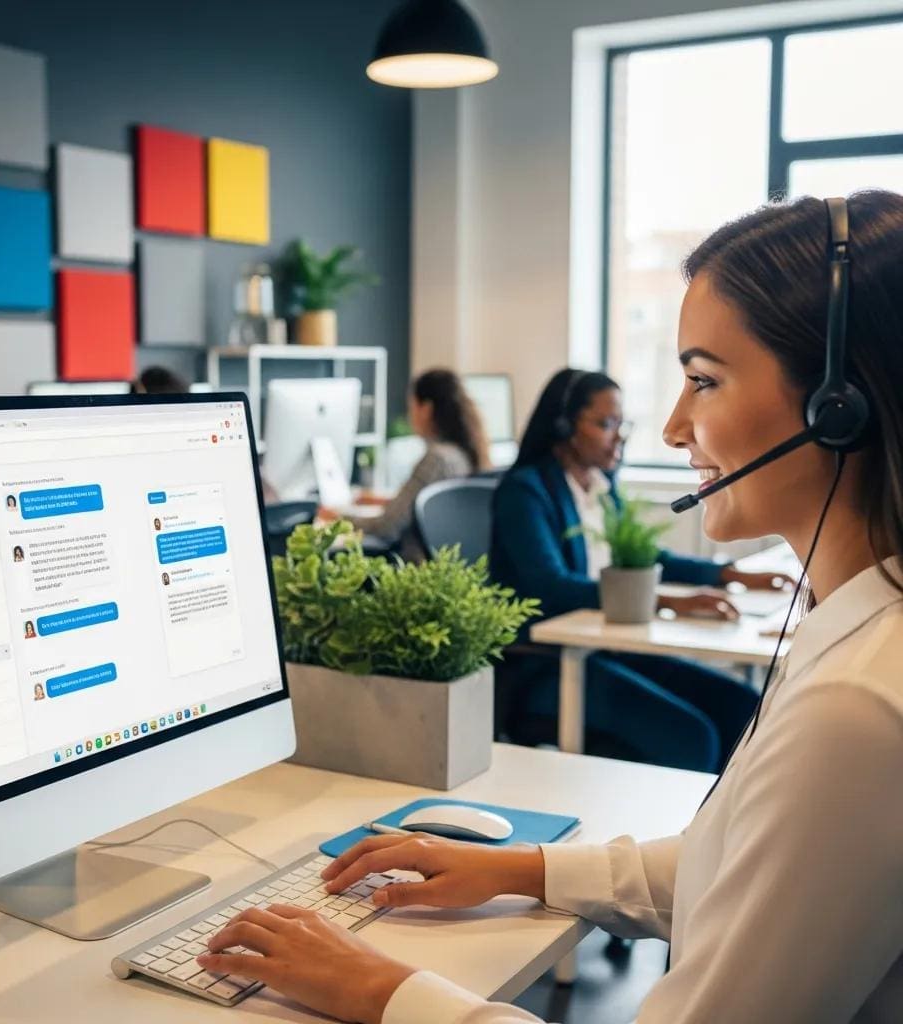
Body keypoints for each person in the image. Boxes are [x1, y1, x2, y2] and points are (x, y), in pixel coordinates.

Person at [192, 192, 903, 1023]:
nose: (673, 427)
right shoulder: (855, 645)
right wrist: (523, 868)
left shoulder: (854, 708)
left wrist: (379, 990)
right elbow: (736, 868)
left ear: (837, 408)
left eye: (704, 381)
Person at [490, 367, 778, 769]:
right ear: (564, 425)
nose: (619, 436)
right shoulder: (525, 492)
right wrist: (663, 600)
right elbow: (553, 586)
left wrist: (729, 575)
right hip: (546, 664)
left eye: (622, 424)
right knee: (691, 736)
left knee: (743, 706)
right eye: (605, 424)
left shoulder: (602, 487)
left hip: (608, 648)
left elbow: (644, 558)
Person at [319, 368, 490, 562]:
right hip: (449, 569)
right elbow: (423, 505)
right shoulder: (461, 454)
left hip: (413, 567)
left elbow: (387, 526)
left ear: (426, 409)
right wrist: (383, 501)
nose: (410, 416)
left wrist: (338, 517)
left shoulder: (437, 460)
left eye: (411, 407)